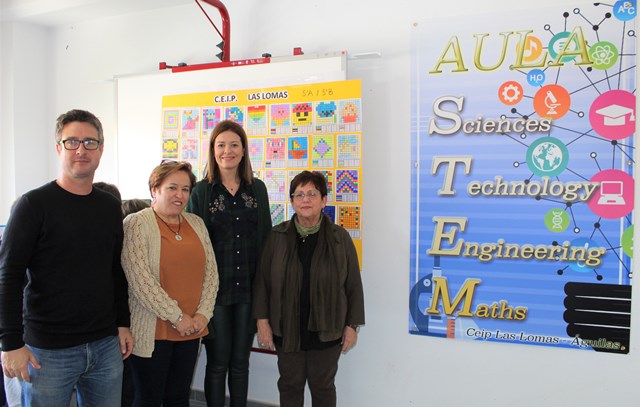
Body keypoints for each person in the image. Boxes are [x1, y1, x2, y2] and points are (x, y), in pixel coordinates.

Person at [0, 109, 133, 406]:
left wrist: (122, 323)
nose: (81, 150)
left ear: (101, 148)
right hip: (47, 350)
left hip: (104, 346)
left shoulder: (110, 206)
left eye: (90, 142)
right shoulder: (33, 205)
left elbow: (115, 269)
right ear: (58, 147)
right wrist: (10, 343)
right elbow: (8, 276)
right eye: (72, 142)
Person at [253, 170, 365, 407]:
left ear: (324, 200)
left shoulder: (339, 238)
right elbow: (263, 282)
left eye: (312, 194)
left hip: (327, 330)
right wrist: (262, 322)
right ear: (292, 201)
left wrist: (352, 326)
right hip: (286, 328)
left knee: (323, 387)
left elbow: (353, 285)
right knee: (289, 385)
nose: (305, 199)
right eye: (299, 194)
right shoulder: (277, 236)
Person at [186, 120, 271, 407]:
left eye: (234, 144)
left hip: (248, 289)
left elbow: (265, 241)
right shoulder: (201, 192)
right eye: (221, 144)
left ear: (244, 150)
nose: (227, 150)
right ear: (213, 150)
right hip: (215, 294)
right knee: (218, 361)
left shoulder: (256, 189)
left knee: (240, 362)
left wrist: (265, 293)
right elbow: (193, 245)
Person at [122, 160, 219, 406]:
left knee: (178, 397)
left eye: (185, 189)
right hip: (154, 331)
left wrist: (202, 315)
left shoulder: (196, 223)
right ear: (155, 190)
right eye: (172, 188)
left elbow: (211, 275)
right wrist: (178, 317)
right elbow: (140, 281)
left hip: (191, 330)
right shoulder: (136, 223)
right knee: (149, 399)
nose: (180, 195)